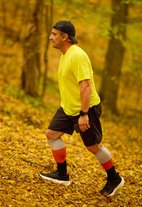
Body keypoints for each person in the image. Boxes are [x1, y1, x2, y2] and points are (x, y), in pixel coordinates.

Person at [39, 21, 124, 196]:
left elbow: (86, 86)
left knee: (94, 146)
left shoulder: (77, 56)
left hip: (86, 109)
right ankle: (62, 175)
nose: (50, 37)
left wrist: (84, 114)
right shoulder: (66, 54)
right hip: (68, 108)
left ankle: (114, 178)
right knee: (52, 134)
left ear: (65, 37)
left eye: (54, 34)